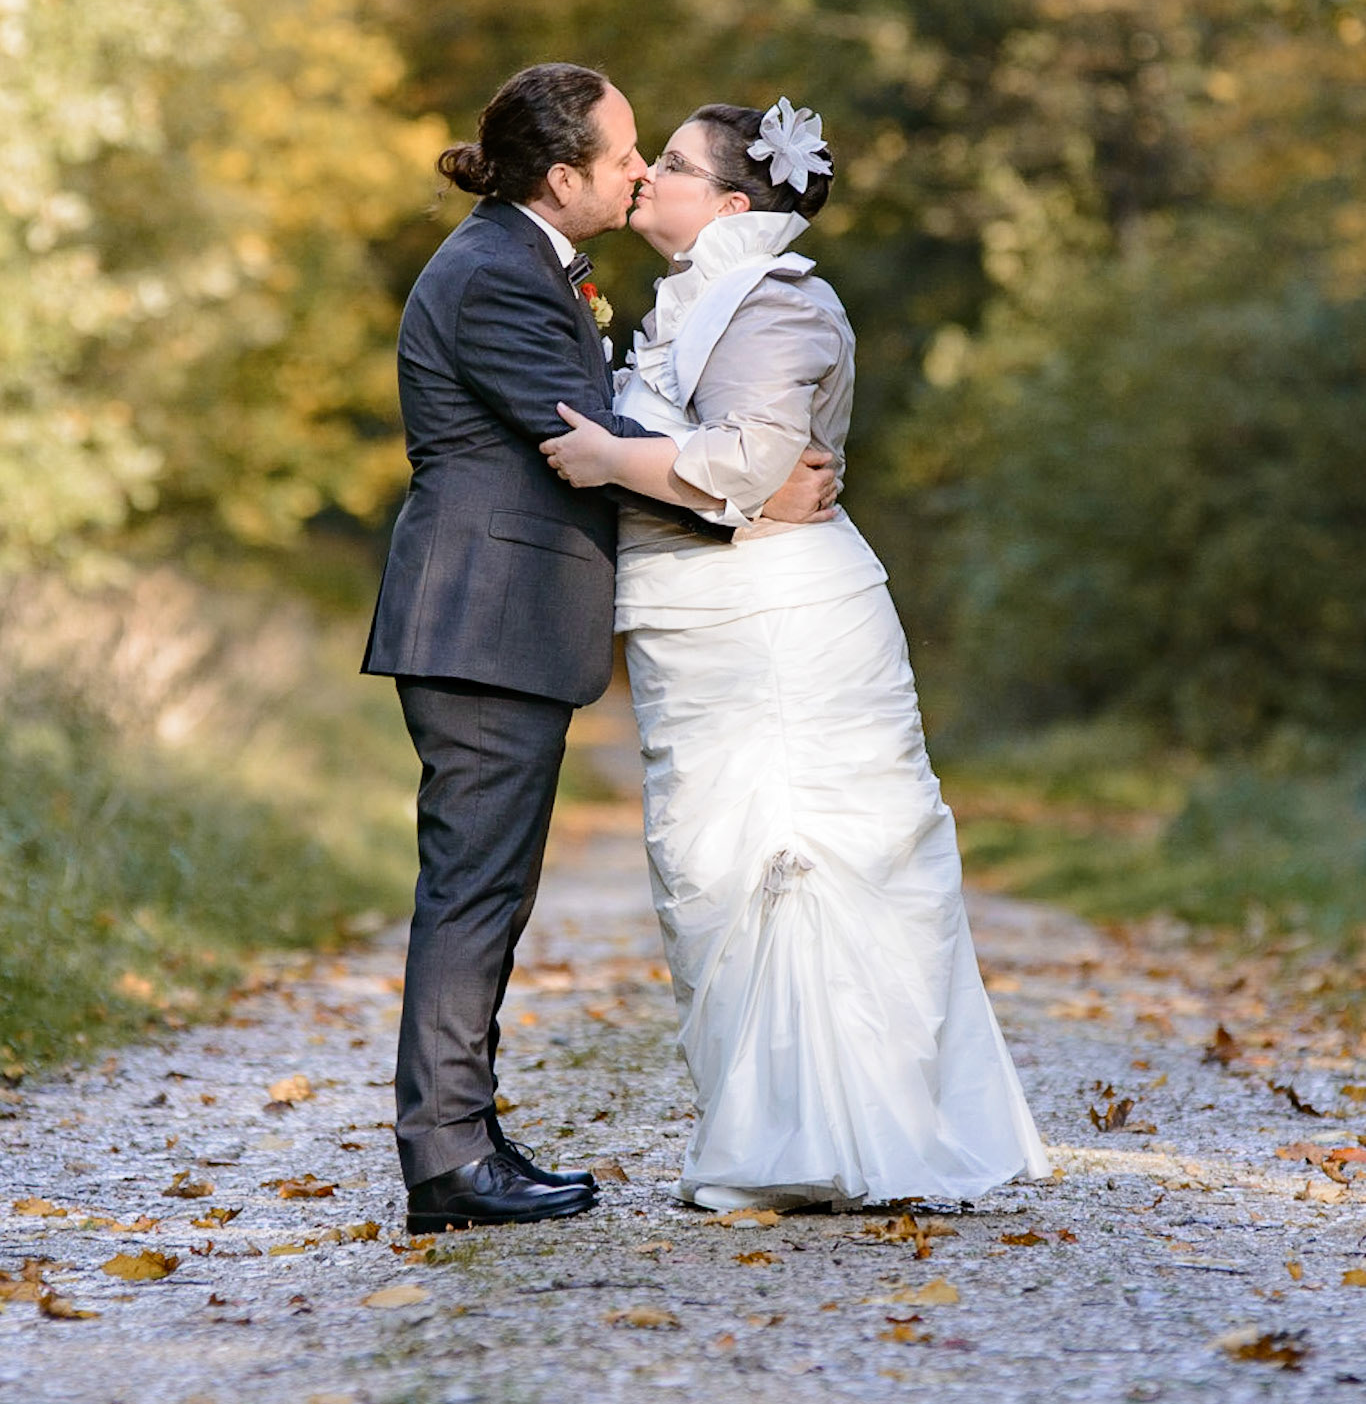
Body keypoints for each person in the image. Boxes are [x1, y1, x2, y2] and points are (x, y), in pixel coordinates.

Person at [541, 99, 1048, 1210]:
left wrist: (611, 457)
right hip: (700, 622)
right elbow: (744, 470)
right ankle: (780, 1132)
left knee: (796, 861)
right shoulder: (690, 300)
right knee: (713, 871)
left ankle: (844, 1139)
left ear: (731, 204)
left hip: (777, 626)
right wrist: (703, 476)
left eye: (672, 162)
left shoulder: (777, 299)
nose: (646, 174)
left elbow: (752, 458)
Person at [362, 64, 835, 1232]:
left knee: (490, 888)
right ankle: (447, 1159)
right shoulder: (494, 275)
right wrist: (755, 496)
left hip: (497, 621)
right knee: (474, 890)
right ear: (560, 176)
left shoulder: (521, 259)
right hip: (483, 617)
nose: (637, 172)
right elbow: (589, 437)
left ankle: (465, 1134)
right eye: (622, 155)